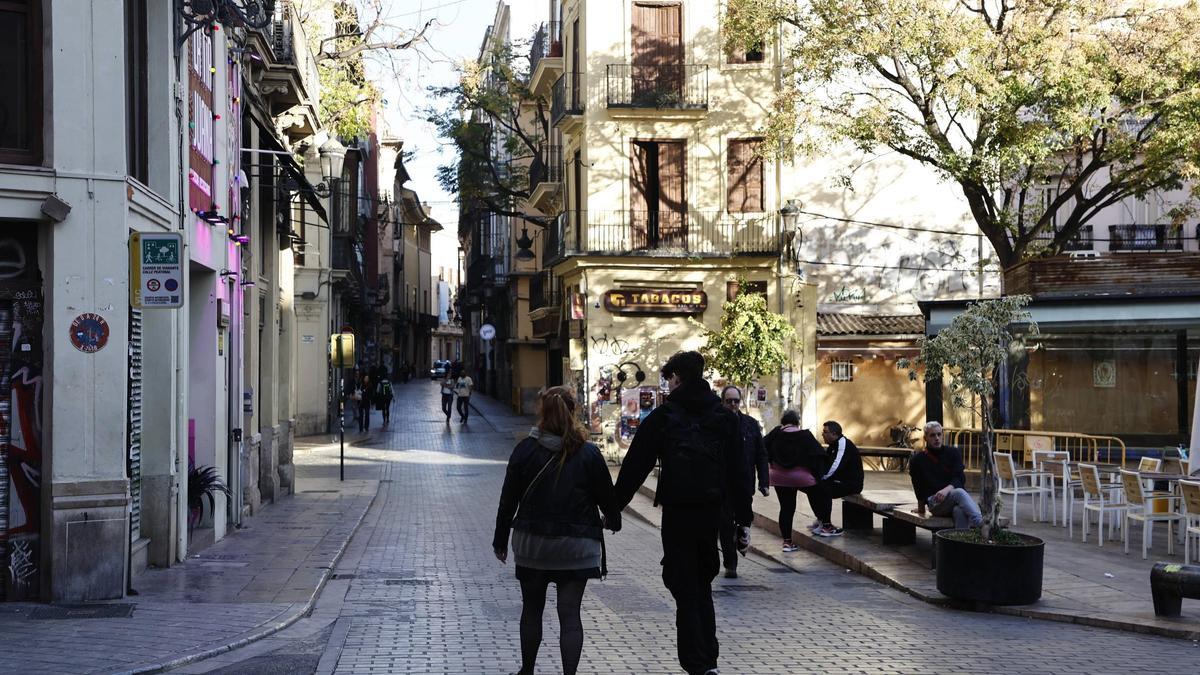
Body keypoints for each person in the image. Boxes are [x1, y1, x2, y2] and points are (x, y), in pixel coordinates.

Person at [614, 351, 752, 675]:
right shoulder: (725, 418)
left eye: (669, 379)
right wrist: (743, 521)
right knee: (702, 583)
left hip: (677, 515)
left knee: (683, 584)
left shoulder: (663, 418)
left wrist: (613, 508)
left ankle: (697, 662)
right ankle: (708, 659)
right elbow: (740, 472)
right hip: (712, 514)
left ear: (676, 377)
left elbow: (635, 466)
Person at [494, 386, 622, 675]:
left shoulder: (524, 450)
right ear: (573, 412)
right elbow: (607, 497)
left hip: (533, 545)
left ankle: (527, 671)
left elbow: (508, 500)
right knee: (570, 615)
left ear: (542, 413)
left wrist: (500, 540)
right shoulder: (589, 453)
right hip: (577, 547)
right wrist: (613, 520)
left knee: (531, 610)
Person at [717, 385, 768, 579]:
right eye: (728, 401)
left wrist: (764, 480)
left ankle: (743, 533)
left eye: (735, 401)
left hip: (744, 483)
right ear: (722, 402)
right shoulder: (716, 424)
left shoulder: (750, 424)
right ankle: (731, 564)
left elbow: (761, 454)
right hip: (722, 484)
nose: (732, 405)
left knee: (744, 519)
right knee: (724, 523)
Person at [764, 410, 826, 552]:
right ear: (798, 422)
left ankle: (787, 542)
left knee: (786, 508)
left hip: (778, 477)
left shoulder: (775, 433)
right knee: (818, 492)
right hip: (801, 477)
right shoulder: (805, 435)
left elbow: (762, 447)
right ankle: (824, 522)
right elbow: (818, 455)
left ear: (783, 422)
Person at [909, 421, 983, 528]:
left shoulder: (953, 452)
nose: (937, 438)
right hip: (935, 503)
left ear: (943, 435)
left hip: (954, 499)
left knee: (959, 511)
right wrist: (921, 509)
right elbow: (918, 486)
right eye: (932, 435)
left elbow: (960, 478)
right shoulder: (917, 460)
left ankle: (959, 542)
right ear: (925, 438)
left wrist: (946, 490)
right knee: (959, 492)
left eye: (939, 434)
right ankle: (980, 523)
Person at [798, 421, 864, 537]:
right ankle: (821, 520)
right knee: (810, 487)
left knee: (823, 488)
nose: (822, 434)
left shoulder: (843, 444)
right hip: (838, 481)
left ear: (834, 434)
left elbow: (835, 466)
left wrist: (821, 479)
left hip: (851, 484)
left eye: (825, 432)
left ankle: (827, 526)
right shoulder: (832, 445)